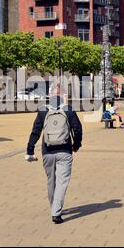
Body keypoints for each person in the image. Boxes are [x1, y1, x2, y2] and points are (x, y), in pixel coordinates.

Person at [25, 84, 83, 224]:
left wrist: (30, 150)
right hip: (65, 151)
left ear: (50, 95)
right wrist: (76, 145)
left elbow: (36, 131)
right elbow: (78, 129)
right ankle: (56, 212)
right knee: (62, 183)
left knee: (51, 181)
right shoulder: (68, 110)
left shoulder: (43, 110)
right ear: (63, 95)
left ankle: (54, 208)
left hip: (47, 152)